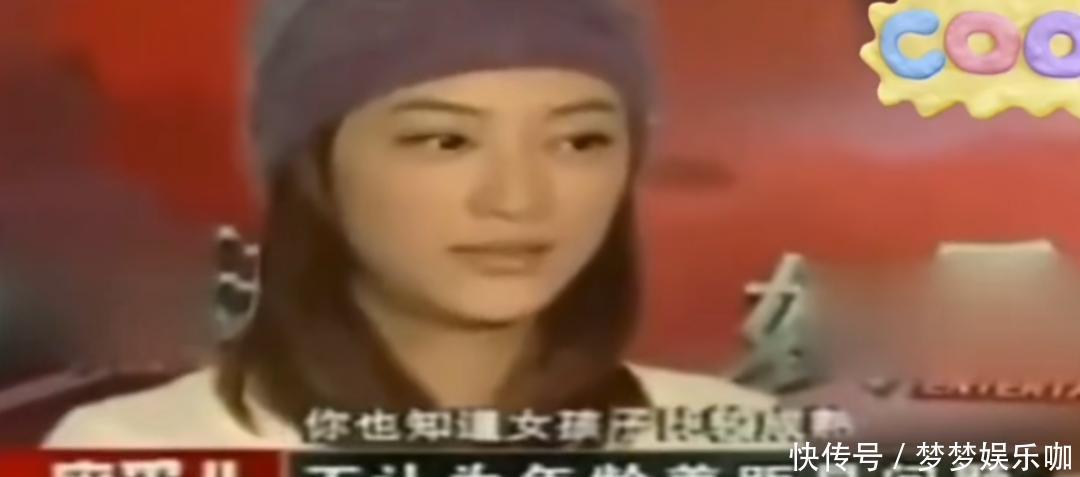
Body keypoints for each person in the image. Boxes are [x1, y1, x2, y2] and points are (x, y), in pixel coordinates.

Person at [44, 0, 780, 449]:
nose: (518, 199)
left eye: (579, 141)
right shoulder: (136, 450)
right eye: (444, 141)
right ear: (314, 167)